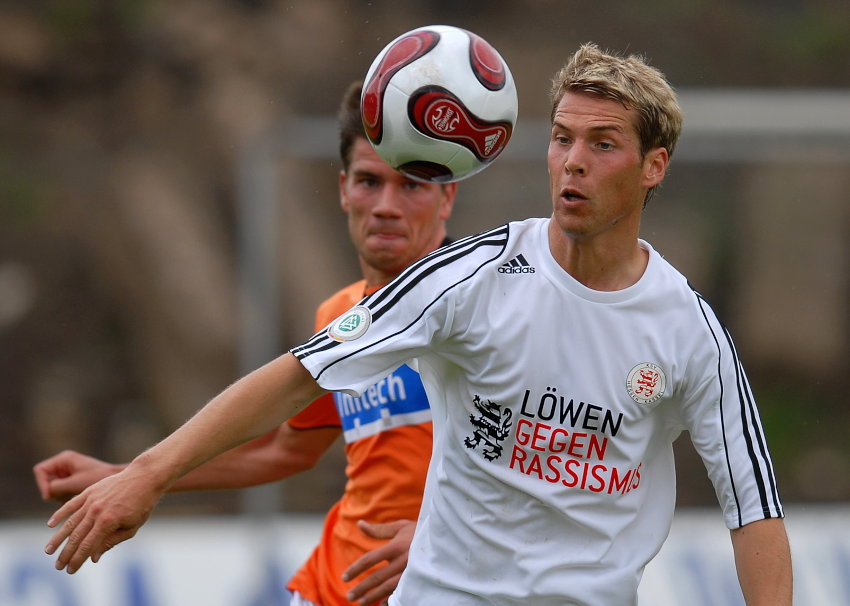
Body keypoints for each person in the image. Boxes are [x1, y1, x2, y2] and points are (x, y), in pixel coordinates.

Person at [44, 44, 792, 605]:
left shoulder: (688, 330)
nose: (571, 162)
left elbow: (753, 508)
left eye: (602, 145)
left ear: (653, 167)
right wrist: (142, 474)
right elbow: (295, 381)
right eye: (562, 138)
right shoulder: (472, 277)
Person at [34, 81, 457, 606]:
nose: (386, 206)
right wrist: (123, 477)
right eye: (370, 181)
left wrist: (444, 540)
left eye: (411, 185)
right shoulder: (340, 315)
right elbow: (286, 451)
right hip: (329, 590)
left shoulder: (482, 314)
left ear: (447, 198)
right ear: (344, 189)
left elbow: (563, 465)